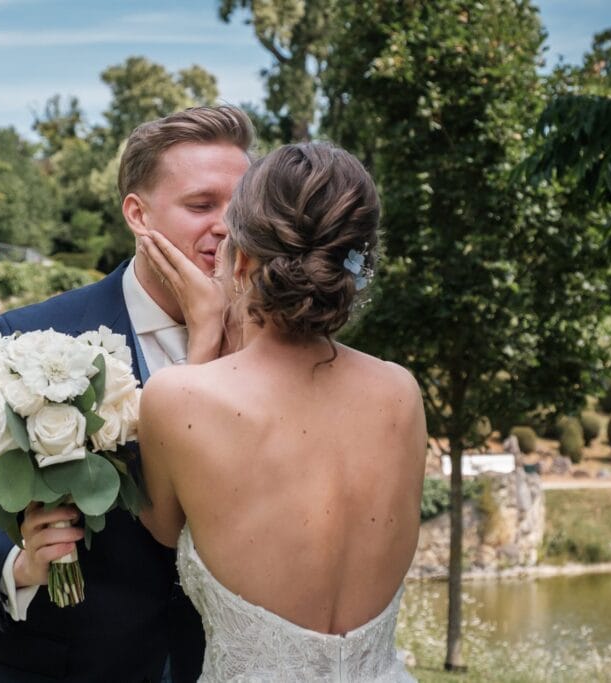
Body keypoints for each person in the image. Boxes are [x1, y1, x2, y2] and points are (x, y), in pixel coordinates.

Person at [0, 105, 255, 683]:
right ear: (138, 214)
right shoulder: (30, 338)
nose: (227, 227)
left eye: (241, 207)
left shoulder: (267, 350)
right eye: (201, 205)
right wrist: (21, 566)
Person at [137, 142, 427, 681]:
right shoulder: (401, 394)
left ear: (242, 261)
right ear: (354, 264)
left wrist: (205, 337)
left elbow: (160, 531)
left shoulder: (179, 399)